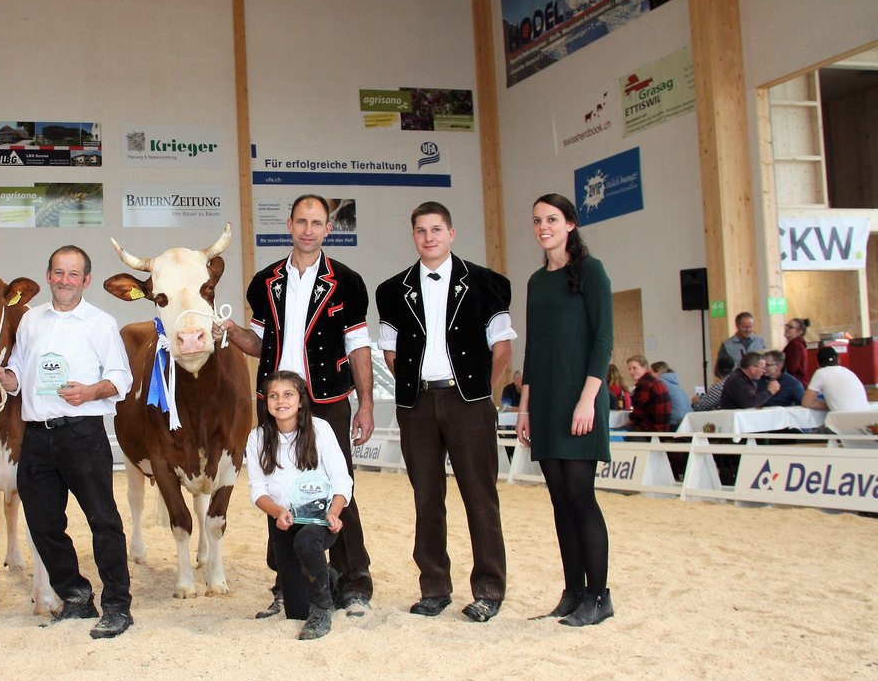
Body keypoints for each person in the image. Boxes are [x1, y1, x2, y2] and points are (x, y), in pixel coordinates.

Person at [217, 193, 375, 617]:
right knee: (278, 488)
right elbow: (258, 342)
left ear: (328, 229)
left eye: (316, 222)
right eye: (301, 221)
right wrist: (230, 331)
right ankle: (287, 585)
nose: (308, 229)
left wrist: (365, 404)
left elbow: (358, 345)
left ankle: (354, 582)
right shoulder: (265, 281)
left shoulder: (348, 281)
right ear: (289, 225)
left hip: (328, 399)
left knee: (339, 486)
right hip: (276, 403)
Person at [0, 245, 135, 639]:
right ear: (48, 276)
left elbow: (121, 378)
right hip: (36, 436)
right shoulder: (31, 321)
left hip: (83, 434)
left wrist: (90, 391)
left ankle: (118, 606)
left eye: (73, 274)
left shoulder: (101, 323)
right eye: (59, 273)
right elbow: (18, 375)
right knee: (43, 524)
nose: (65, 280)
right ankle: (77, 597)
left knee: (103, 521)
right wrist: (1, 377)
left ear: (86, 280)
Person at [375, 201, 514, 622]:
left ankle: (488, 589)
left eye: (436, 229)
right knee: (426, 498)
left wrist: (478, 392)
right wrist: (420, 386)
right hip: (416, 405)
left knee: (480, 496)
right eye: (421, 230)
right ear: (413, 236)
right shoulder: (391, 290)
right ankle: (434, 587)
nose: (429, 237)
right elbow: (391, 354)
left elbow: (502, 348)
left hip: (469, 402)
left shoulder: (488, 283)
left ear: (451, 233)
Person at [515, 193, 614, 627]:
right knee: (559, 501)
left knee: (580, 497)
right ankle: (573, 592)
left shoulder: (592, 271)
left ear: (570, 224)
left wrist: (587, 399)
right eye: (537, 220)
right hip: (546, 401)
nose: (543, 227)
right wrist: (524, 408)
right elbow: (533, 349)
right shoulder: (537, 282)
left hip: (581, 398)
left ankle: (599, 595)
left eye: (552, 219)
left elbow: (604, 340)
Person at [245, 371, 352, 640]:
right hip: (283, 519)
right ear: (267, 402)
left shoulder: (321, 429)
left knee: (307, 541)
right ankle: (328, 577)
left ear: (301, 400)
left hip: (320, 518)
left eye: (288, 394)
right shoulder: (257, 438)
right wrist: (277, 512)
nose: (281, 401)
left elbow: (342, 478)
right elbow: (257, 490)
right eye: (274, 395)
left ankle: (322, 611)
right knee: (295, 611)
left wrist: (334, 513)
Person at [802, 346, 868, 412]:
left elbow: (807, 402)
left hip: (845, 417)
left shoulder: (821, 373)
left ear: (818, 364)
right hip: (866, 416)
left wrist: (829, 404)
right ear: (838, 360)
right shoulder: (848, 371)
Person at [625, 355, 671, 433]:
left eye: (634, 368)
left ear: (645, 368)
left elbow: (638, 415)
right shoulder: (657, 382)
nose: (631, 372)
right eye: (629, 369)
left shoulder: (644, 385)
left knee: (611, 433)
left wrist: (626, 423)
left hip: (648, 431)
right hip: (663, 430)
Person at [715, 312, 765, 378]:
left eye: (750, 327)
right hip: (736, 381)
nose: (748, 330)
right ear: (737, 326)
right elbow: (719, 370)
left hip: (757, 381)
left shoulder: (759, 341)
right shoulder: (727, 345)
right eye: (745, 327)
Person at [650, 361, 691, 429]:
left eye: (650, 373)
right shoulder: (673, 382)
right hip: (687, 421)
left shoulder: (659, 383)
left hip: (675, 422)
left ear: (657, 372)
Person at [783, 318, 811, 386]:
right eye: (787, 325)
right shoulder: (796, 344)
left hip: (795, 383)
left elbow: (792, 368)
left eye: (791, 327)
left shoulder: (795, 345)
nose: (787, 328)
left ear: (799, 332)